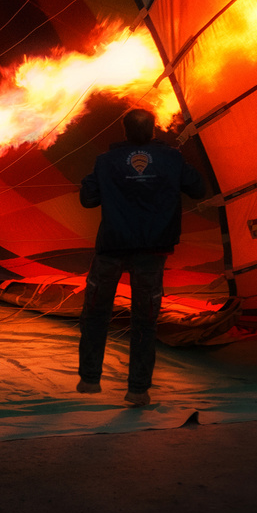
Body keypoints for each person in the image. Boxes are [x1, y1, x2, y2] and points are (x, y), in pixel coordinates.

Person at [76, 108, 206, 408]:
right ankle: (137, 391)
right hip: (152, 249)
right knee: (145, 321)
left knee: (96, 312)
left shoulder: (105, 161)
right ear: (153, 130)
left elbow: (88, 200)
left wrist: (93, 180)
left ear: (124, 131)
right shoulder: (171, 158)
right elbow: (198, 189)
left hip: (112, 247)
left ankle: (89, 380)